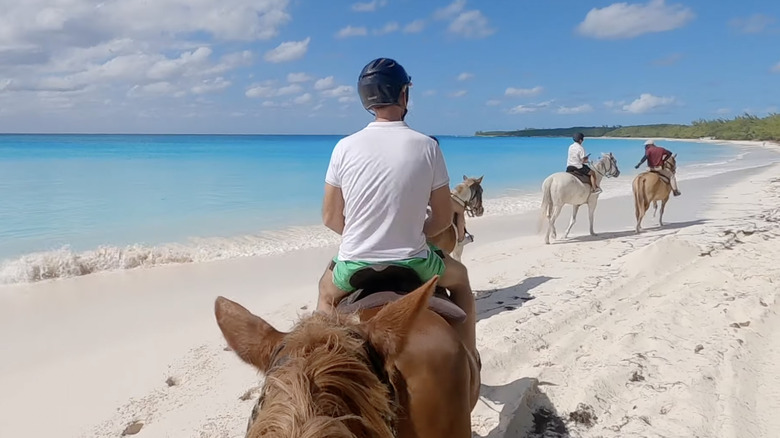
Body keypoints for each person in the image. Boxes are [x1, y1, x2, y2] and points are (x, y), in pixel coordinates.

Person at [316, 57, 478, 357]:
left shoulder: (343, 147)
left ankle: (322, 359)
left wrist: (361, 233)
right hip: (414, 261)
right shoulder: (428, 146)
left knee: (325, 295)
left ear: (365, 99)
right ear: (404, 95)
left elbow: (329, 217)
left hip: (354, 264)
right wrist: (411, 232)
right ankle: (470, 360)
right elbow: (442, 218)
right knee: (462, 281)